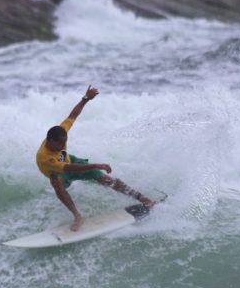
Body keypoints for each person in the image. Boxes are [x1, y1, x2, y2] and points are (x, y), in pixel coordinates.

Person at [36, 85, 155, 231]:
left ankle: (143, 198)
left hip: (69, 160)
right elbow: (68, 169)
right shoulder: (44, 157)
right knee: (56, 182)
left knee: (107, 180)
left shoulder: (60, 134)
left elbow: (73, 115)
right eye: (59, 143)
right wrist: (94, 165)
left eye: (64, 142)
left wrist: (86, 99)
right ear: (50, 140)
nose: (63, 145)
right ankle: (77, 216)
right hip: (60, 171)